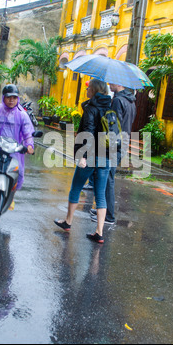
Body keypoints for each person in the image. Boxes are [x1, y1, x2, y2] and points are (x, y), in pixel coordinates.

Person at [54, 78, 112, 244]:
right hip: (106, 155)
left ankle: (68, 221)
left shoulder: (90, 108)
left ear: (93, 90)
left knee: (76, 187)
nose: (86, 91)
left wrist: (83, 157)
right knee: (100, 194)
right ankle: (99, 232)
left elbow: (88, 132)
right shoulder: (111, 107)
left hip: (91, 155)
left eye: (88, 89)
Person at [90, 83, 136, 225]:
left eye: (112, 82)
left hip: (114, 143)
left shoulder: (117, 101)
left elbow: (112, 124)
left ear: (120, 83)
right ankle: (102, 209)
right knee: (106, 176)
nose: (109, 84)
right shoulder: (131, 101)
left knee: (107, 177)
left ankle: (108, 215)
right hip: (124, 141)